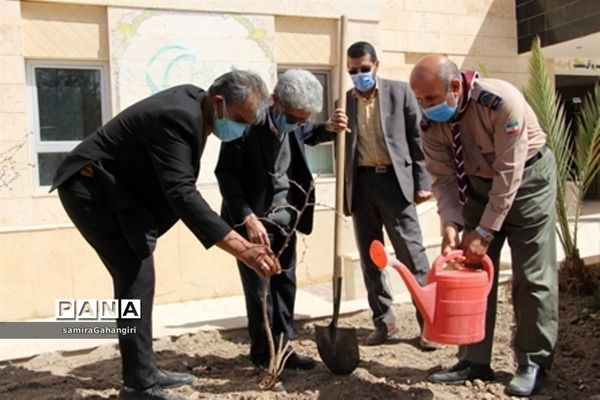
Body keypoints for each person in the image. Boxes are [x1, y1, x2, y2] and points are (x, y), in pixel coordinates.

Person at [51, 70, 281, 400]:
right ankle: (138, 386)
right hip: (91, 191)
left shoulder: (195, 106)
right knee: (135, 278)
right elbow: (181, 192)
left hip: (119, 194)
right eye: (240, 120)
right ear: (219, 103)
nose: (241, 130)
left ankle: (144, 371)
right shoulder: (178, 116)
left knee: (139, 280)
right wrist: (242, 247)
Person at [409, 55, 558, 397]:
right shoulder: (431, 126)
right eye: (420, 100)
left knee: (532, 277)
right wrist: (450, 225)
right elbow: (443, 179)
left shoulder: (502, 103)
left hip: (528, 184)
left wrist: (485, 233)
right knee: (471, 273)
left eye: (431, 98)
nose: (425, 107)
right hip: (477, 186)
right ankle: (473, 360)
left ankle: (533, 362)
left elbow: (509, 175)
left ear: (456, 86)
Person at [215, 69, 348, 370]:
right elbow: (226, 175)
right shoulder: (246, 125)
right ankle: (265, 355)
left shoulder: (296, 124)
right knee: (261, 293)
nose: (298, 124)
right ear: (275, 101)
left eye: (303, 118)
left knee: (285, 287)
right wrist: (247, 217)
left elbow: (311, 133)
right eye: (294, 117)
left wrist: (329, 126)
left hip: (286, 221)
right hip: (253, 225)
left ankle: (285, 349)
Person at [342, 41, 436, 349]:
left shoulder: (400, 92)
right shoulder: (345, 101)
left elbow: (416, 138)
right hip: (362, 187)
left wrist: (422, 182)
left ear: (377, 65)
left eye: (364, 69)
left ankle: (429, 324)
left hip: (395, 185)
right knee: (372, 259)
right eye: (352, 71)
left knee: (412, 256)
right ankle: (384, 322)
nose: (359, 75)